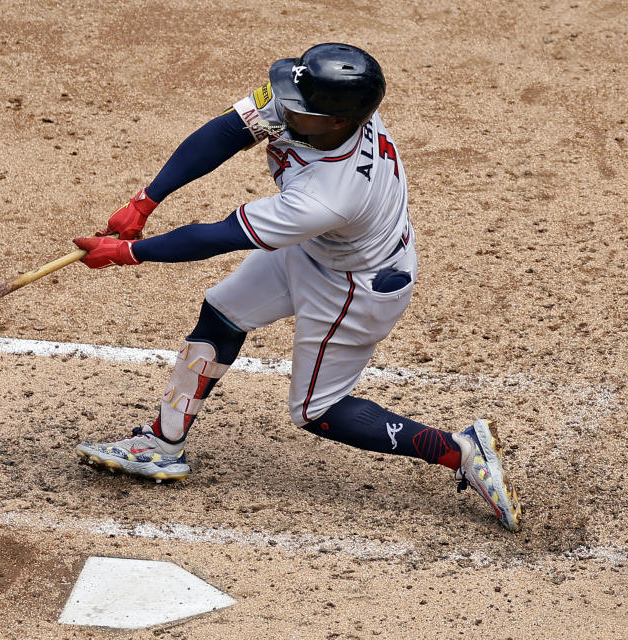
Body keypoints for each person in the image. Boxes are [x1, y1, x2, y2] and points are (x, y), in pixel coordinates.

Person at [71, 43, 522, 532]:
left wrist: (128, 253)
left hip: (354, 287)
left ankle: (457, 451)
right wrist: (144, 202)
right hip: (317, 249)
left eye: (297, 110)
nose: (282, 109)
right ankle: (162, 446)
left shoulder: (327, 196)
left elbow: (220, 234)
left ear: (334, 122)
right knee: (224, 311)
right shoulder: (323, 100)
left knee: (317, 411)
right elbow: (228, 130)